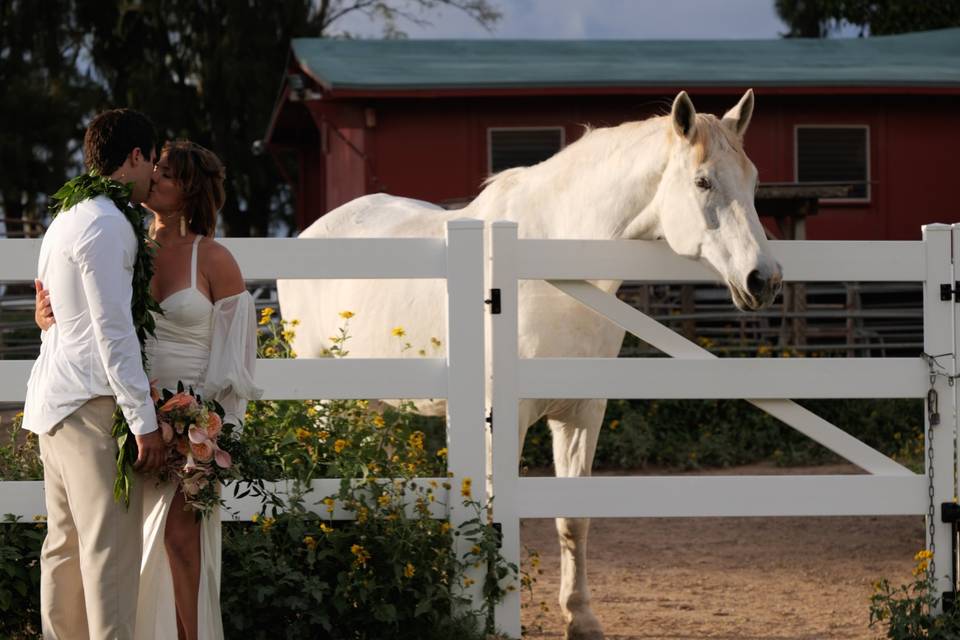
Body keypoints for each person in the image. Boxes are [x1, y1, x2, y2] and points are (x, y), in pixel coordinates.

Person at [36, 139, 262, 640]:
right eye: (154, 167)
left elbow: (236, 361)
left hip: (196, 421)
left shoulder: (216, 259)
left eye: (167, 173)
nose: (154, 176)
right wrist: (45, 317)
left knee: (182, 543)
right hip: (134, 412)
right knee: (129, 545)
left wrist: (212, 433)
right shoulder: (130, 246)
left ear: (189, 190)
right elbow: (97, 316)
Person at [24, 108, 166, 639]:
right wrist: (142, 420)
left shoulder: (67, 216)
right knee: (109, 555)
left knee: (62, 548)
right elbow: (113, 332)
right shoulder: (108, 223)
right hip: (89, 406)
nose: (154, 172)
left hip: (53, 404)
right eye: (151, 160)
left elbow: (53, 317)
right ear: (134, 157)